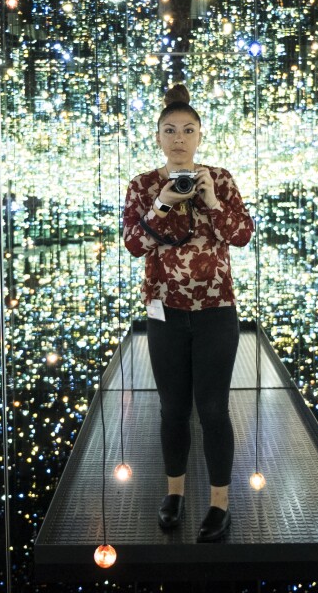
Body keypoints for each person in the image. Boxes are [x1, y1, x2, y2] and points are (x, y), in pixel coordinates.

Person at [122, 84, 253, 543]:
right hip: (165, 313)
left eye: (188, 130)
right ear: (158, 136)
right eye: (170, 130)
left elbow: (241, 236)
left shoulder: (219, 177)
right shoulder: (143, 185)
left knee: (214, 409)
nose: (179, 138)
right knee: (172, 409)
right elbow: (134, 243)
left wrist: (211, 200)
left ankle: (220, 503)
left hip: (217, 310)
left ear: (200, 136)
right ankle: (173, 494)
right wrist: (162, 204)